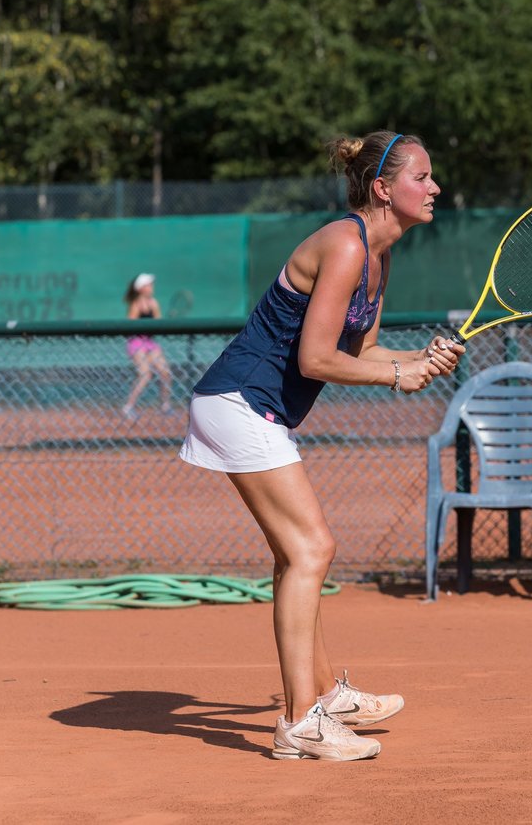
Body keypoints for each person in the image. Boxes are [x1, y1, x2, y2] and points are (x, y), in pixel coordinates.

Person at [178, 130, 463, 761]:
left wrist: (419, 358)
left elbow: (358, 352)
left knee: (298, 554)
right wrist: (396, 374)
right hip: (238, 401)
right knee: (313, 547)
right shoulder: (345, 244)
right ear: (383, 189)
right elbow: (314, 359)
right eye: (422, 177)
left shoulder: (381, 256)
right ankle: (298, 723)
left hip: (258, 407)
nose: (435, 187)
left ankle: (325, 699)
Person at [122, 273, 174, 420]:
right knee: (145, 374)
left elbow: (157, 323)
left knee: (165, 372)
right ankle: (128, 406)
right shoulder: (136, 304)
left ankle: (165, 405)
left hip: (150, 343)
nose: (151, 287)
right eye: (148, 285)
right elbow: (130, 326)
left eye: (151, 284)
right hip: (137, 343)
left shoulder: (154, 303)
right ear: (141, 288)